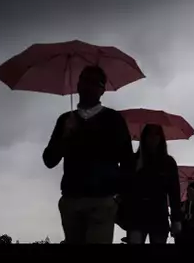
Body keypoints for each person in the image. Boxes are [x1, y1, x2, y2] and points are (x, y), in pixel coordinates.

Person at [42, 66, 135, 244]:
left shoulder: (113, 119)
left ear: (102, 90)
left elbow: (127, 161)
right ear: (77, 85)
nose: (87, 86)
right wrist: (64, 137)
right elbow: (49, 160)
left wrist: (119, 197)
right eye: (83, 80)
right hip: (71, 200)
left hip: (103, 201)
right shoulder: (65, 120)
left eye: (93, 83)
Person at [124, 124, 182, 244]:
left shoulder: (168, 163)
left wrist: (176, 218)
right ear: (144, 137)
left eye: (156, 135)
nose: (153, 139)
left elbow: (174, 192)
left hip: (158, 214)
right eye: (149, 135)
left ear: (161, 139)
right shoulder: (134, 160)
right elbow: (125, 186)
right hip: (137, 213)